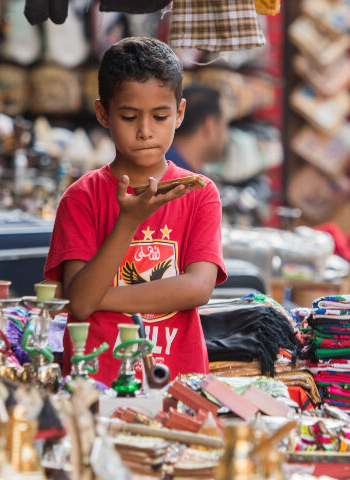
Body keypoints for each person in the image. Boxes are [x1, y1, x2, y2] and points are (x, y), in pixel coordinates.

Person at [44, 37, 227, 387]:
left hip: (179, 379)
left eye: (160, 116)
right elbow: (81, 306)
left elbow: (198, 288)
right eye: (129, 117)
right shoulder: (81, 198)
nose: (145, 132)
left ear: (180, 114)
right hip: (97, 378)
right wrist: (128, 220)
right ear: (103, 114)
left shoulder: (199, 193)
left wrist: (101, 298)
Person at [167, 85, 228, 172]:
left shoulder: (159, 163)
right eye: (224, 126)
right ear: (210, 127)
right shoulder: (169, 174)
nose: (226, 137)